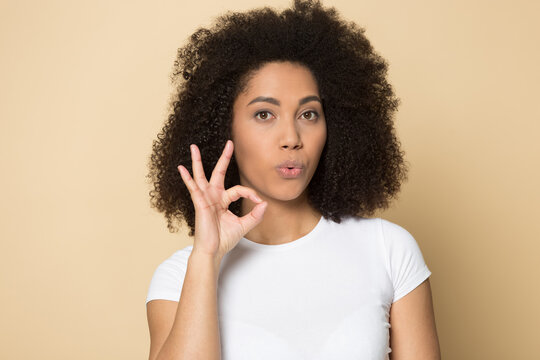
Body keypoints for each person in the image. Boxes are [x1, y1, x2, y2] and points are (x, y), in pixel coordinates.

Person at [145, 0, 441, 359]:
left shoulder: (388, 250)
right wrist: (206, 257)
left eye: (308, 114)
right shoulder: (180, 277)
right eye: (265, 114)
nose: (291, 137)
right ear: (224, 129)